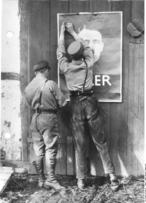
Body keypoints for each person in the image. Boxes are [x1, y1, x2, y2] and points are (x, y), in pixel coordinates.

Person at [57, 22, 119, 191]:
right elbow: (86, 47)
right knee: (101, 142)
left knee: (79, 144)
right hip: (90, 101)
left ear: (71, 56)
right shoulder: (88, 63)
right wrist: (73, 32)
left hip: (75, 104)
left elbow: (60, 51)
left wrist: (63, 32)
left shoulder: (66, 67)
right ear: (83, 53)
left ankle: (80, 181)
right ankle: (112, 177)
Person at [24, 60, 65, 190]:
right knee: (50, 149)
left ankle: (41, 179)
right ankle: (51, 180)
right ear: (45, 70)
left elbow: (27, 104)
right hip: (48, 118)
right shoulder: (51, 84)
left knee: (38, 151)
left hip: (35, 119)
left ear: (36, 73)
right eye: (48, 70)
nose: (49, 72)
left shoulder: (28, 87)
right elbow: (62, 102)